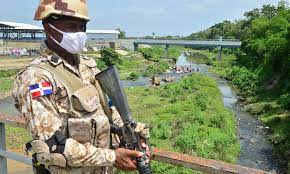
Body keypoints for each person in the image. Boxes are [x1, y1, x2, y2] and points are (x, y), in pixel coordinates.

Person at [12, 0, 150, 173]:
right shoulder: (36, 78)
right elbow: (52, 144)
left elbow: (108, 108)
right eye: (70, 26)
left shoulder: (88, 66)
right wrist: (112, 157)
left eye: (81, 27)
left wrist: (128, 132)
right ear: (48, 28)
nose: (78, 33)